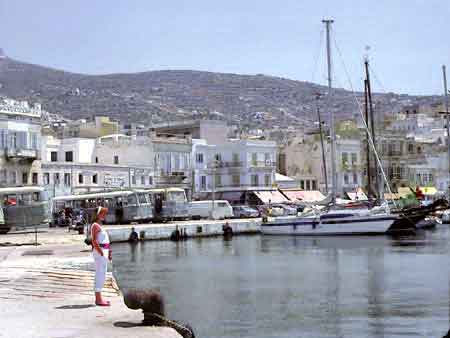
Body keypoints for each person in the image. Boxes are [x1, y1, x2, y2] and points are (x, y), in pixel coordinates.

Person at [91, 206, 112, 306]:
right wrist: (101, 252)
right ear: (98, 215)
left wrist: (109, 251)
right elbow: (94, 240)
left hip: (104, 251)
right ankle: (98, 299)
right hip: (101, 252)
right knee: (100, 273)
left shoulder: (99, 225)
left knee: (102, 273)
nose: (104, 215)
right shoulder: (95, 225)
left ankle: (99, 298)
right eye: (102, 213)